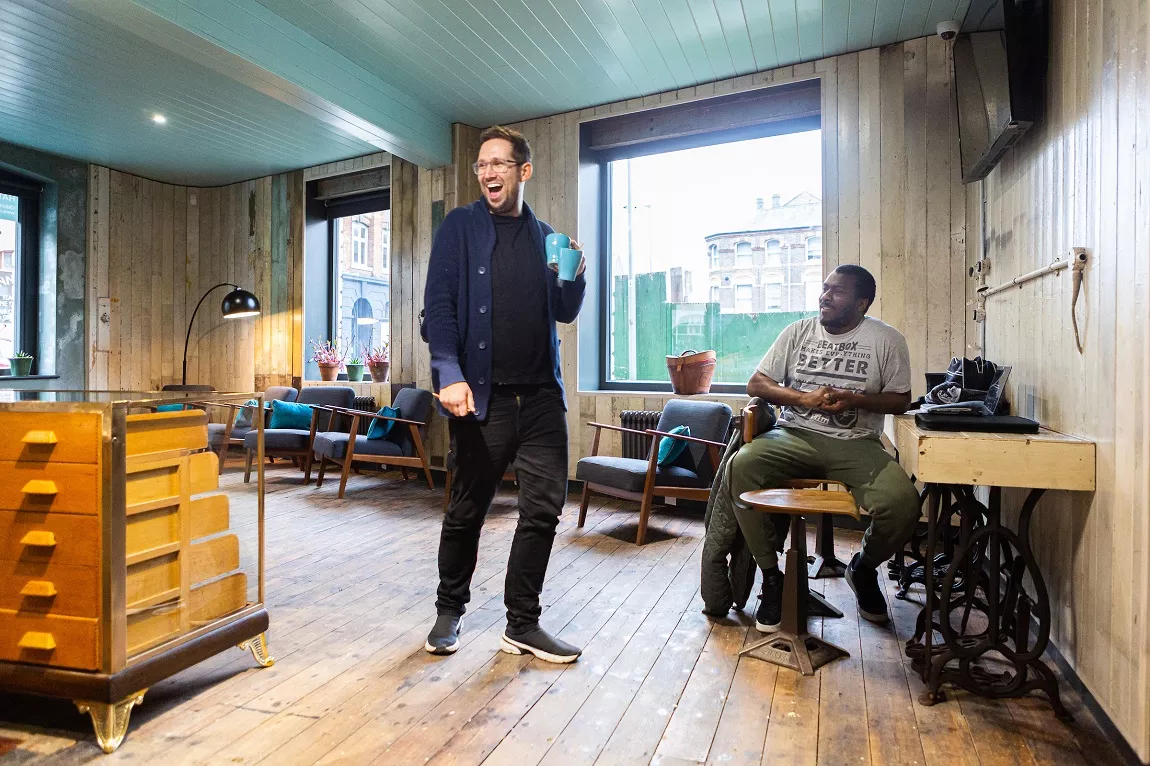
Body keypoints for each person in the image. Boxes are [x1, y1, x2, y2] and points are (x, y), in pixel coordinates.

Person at [422, 125, 586, 663]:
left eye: (499, 163)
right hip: (482, 399)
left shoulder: (547, 237)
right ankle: (450, 610)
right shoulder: (459, 228)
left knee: (543, 511)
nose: (489, 172)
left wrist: (576, 277)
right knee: (467, 510)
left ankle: (523, 623)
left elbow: (564, 311)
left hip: (541, 397)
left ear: (523, 171)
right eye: (481, 164)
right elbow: (439, 310)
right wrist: (448, 372)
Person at [728, 264, 920, 629]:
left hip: (856, 443)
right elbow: (756, 384)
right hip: (794, 436)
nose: (825, 296)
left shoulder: (887, 339)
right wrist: (803, 399)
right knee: (742, 465)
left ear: (862, 302)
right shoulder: (797, 331)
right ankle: (772, 579)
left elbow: (900, 400)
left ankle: (863, 568)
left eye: (838, 291)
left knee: (903, 504)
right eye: (825, 288)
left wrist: (854, 400)